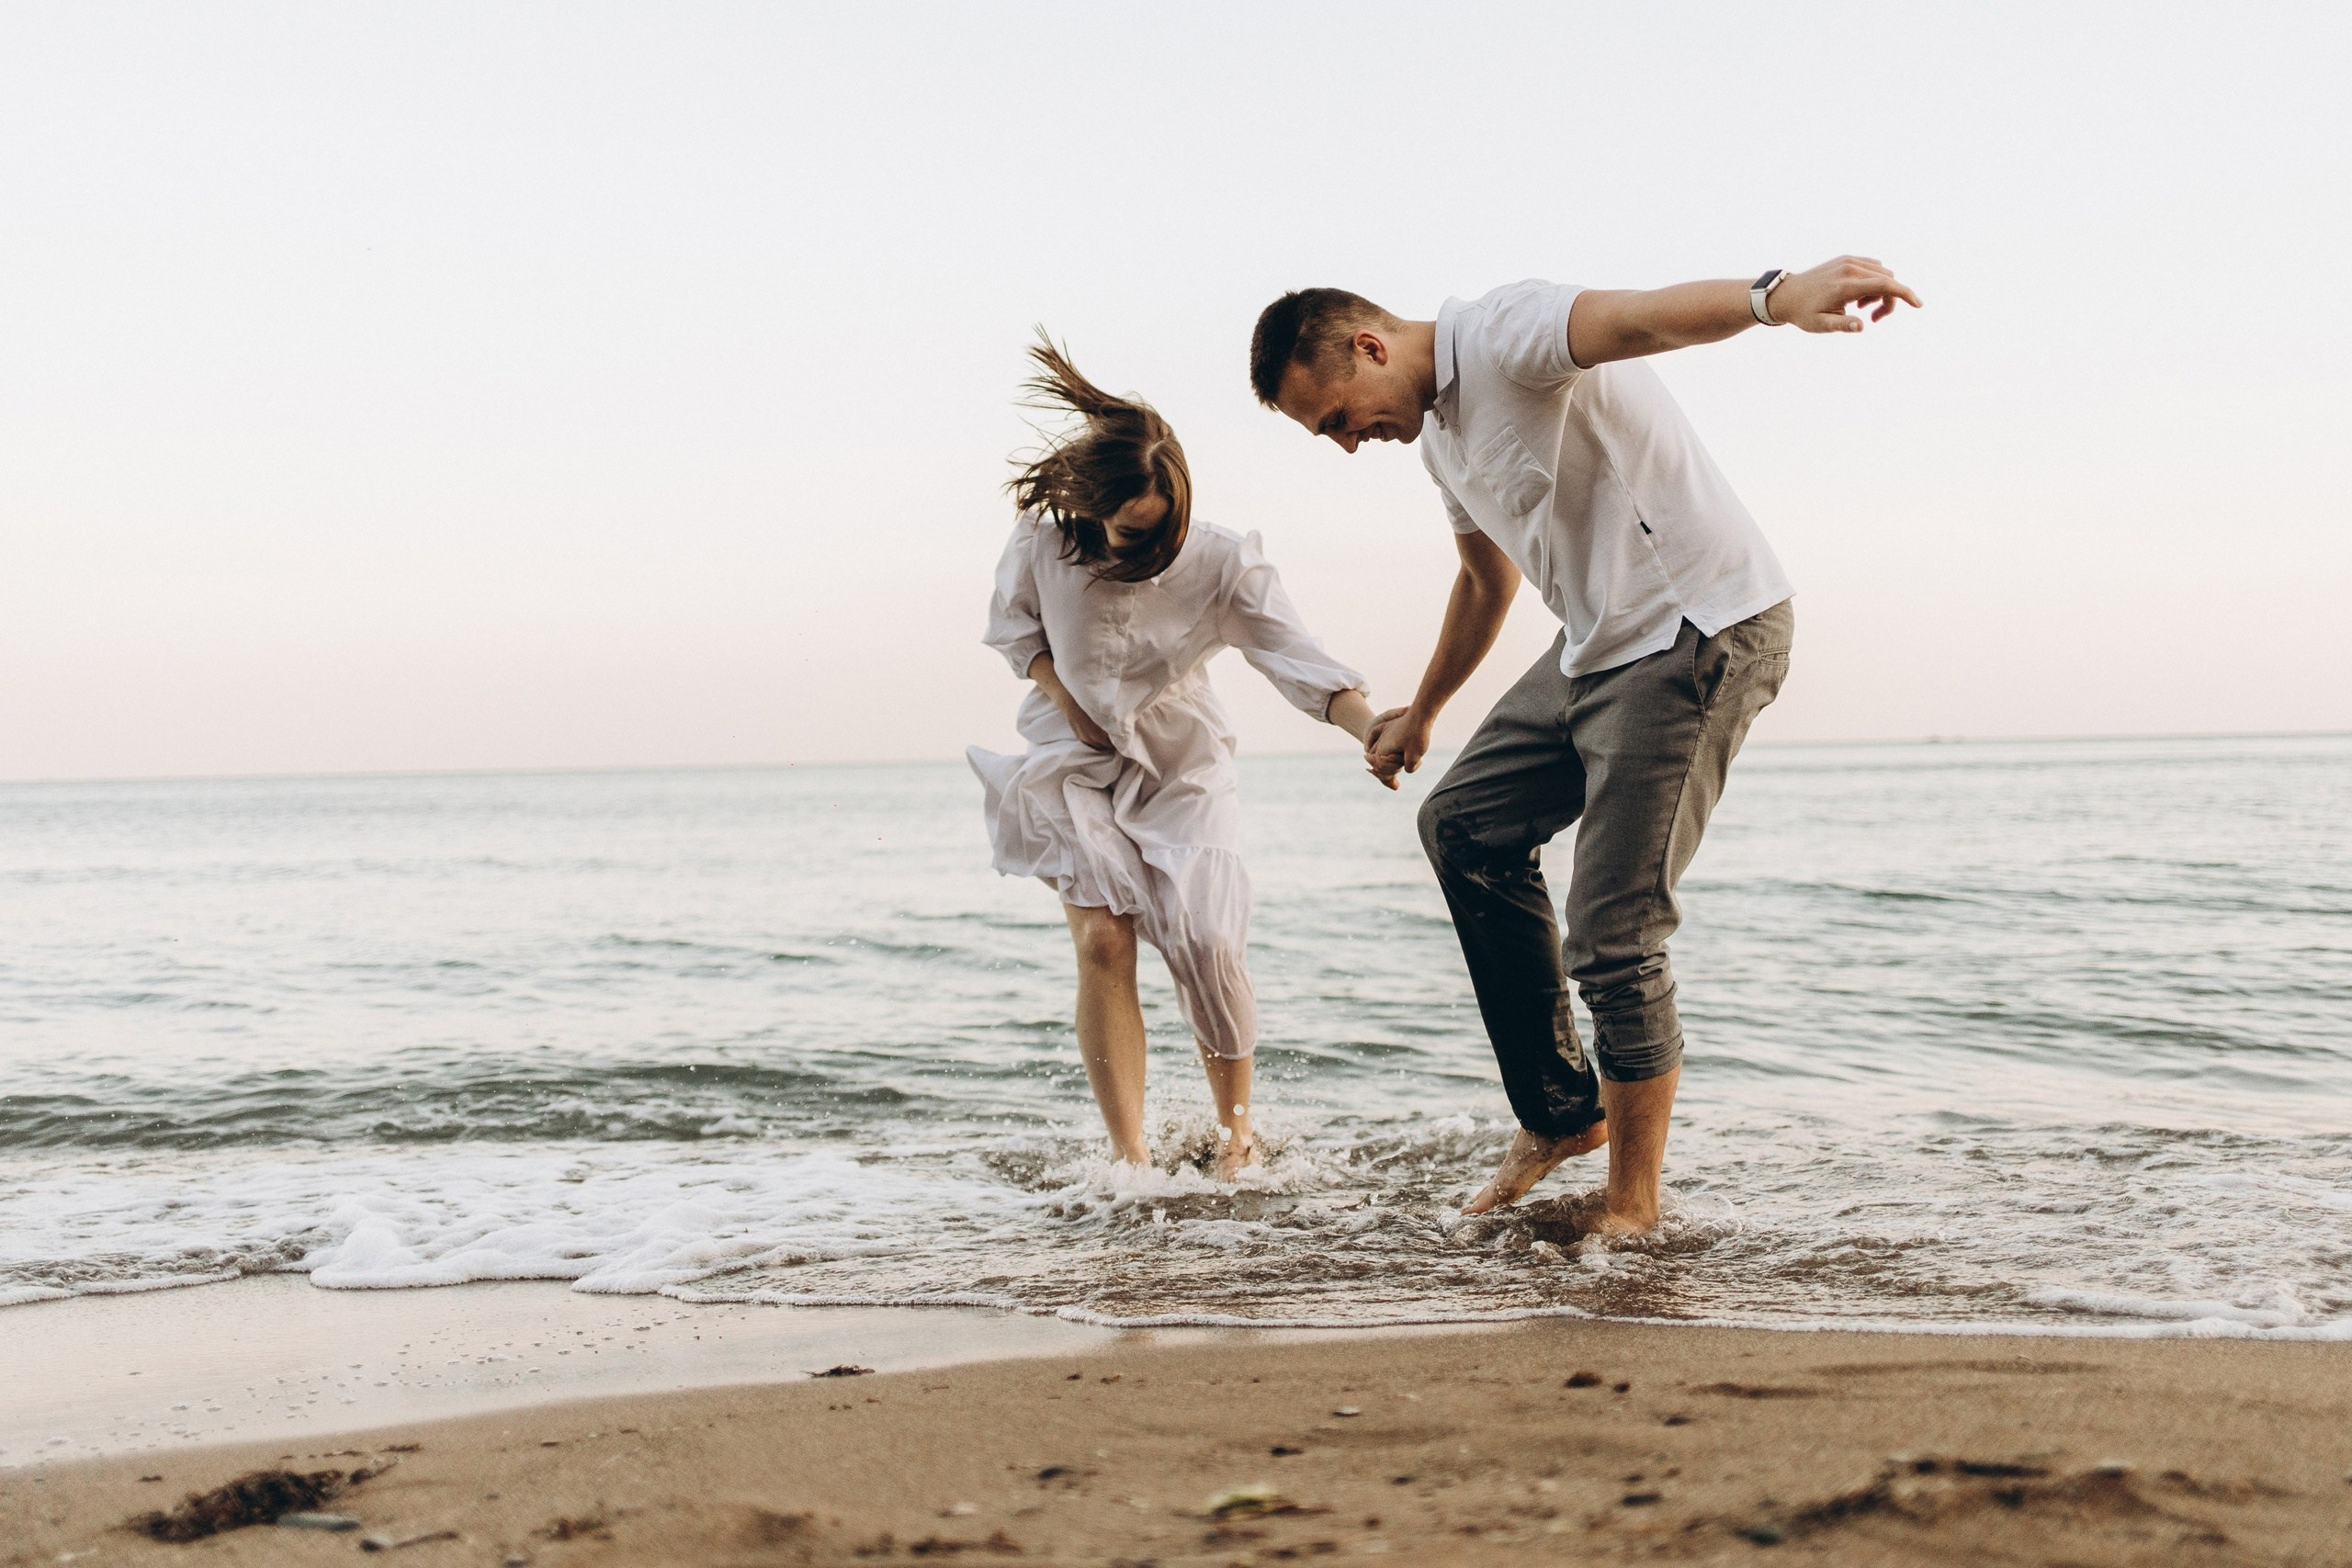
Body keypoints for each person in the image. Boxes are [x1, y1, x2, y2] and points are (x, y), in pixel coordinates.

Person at [1250, 257, 1919, 1230]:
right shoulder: (1441, 442)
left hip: (1698, 628)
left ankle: (1632, 1209)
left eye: (1339, 418)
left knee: (1612, 938)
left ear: (1368, 347)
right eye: (1329, 437)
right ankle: (1563, 1113)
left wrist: (1775, 299)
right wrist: (1425, 712)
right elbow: (1486, 581)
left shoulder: (1504, 332)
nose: (1349, 443)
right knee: (1464, 825)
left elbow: (1640, 321)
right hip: (1598, 647)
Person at [969, 338, 1380, 1179]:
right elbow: (1016, 633)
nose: (1143, 551)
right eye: (1125, 535)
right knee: (1102, 945)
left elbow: (1297, 660)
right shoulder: (1044, 542)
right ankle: (1130, 1160)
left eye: (1160, 533)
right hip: (1073, 758)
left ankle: (1236, 1140)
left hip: (1182, 760)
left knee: (1205, 937)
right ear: (1091, 511)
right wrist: (1065, 701)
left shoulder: (1224, 561)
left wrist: (1369, 725)